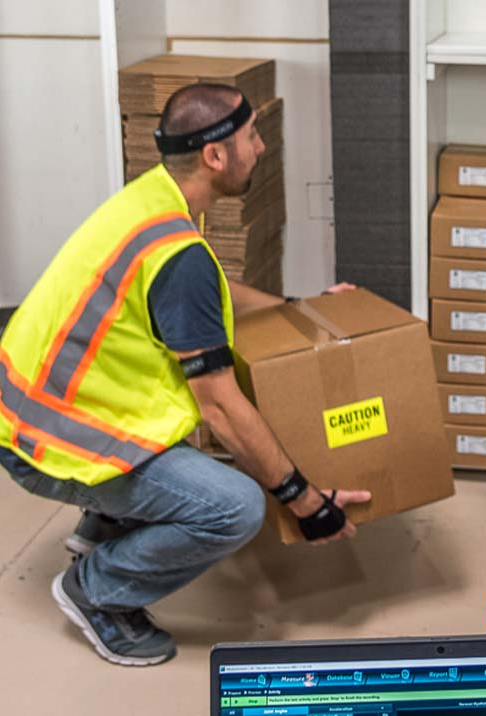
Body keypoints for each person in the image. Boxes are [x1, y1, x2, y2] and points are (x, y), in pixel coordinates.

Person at [0, 83, 371, 667]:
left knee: (183, 425)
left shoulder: (152, 201)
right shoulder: (179, 255)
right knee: (236, 506)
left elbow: (207, 295)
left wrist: (298, 306)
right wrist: (303, 501)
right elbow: (221, 409)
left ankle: (107, 520)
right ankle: (98, 590)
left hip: (33, 411)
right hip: (53, 442)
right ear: (215, 156)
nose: (261, 149)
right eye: (252, 136)